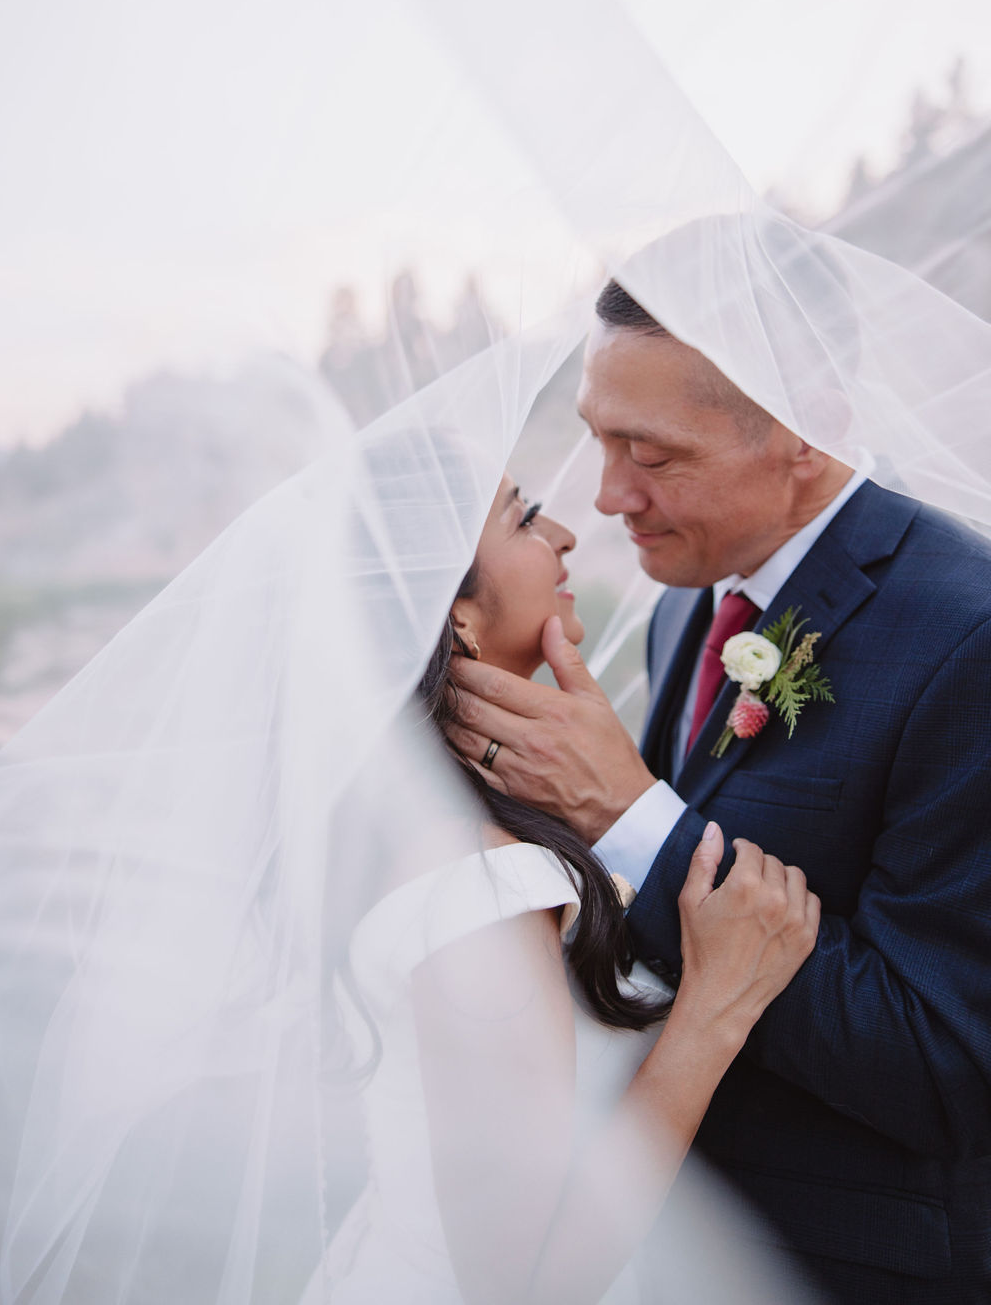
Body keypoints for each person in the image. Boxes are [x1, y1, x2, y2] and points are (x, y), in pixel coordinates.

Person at [448, 282, 991, 1304]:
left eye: (651, 455)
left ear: (807, 425)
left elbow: (947, 1064)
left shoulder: (967, 637)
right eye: (597, 440)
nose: (607, 497)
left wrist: (629, 813)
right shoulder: (685, 603)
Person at [309, 467, 821, 1303]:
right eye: (526, 520)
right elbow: (522, 1279)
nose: (566, 537)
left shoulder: (446, 828)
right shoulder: (480, 888)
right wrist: (717, 1005)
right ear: (457, 617)